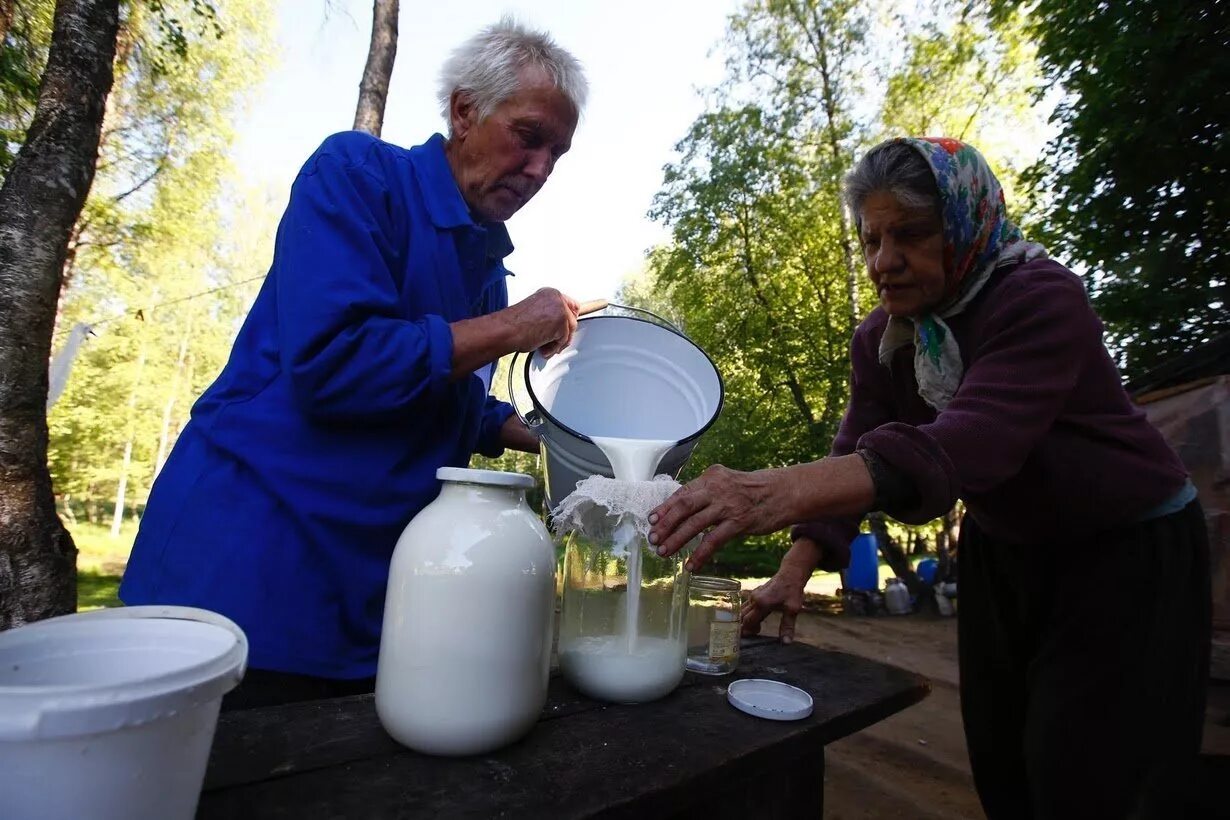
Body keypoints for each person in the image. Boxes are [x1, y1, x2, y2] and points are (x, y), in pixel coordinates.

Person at [647, 137, 1210, 819]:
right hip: (1005, 549)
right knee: (1001, 756)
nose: (884, 262)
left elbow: (972, 443)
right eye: (871, 240)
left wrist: (773, 491)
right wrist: (797, 566)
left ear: (965, 225)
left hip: (1125, 547)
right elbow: (856, 439)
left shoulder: (1037, 299)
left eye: (910, 234)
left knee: (1089, 773)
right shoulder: (884, 338)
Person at [120, 18, 588, 708]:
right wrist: (514, 326)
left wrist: (538, 432)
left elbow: (442, 394)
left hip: (371, 596)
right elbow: (337, 364)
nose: (542, 169)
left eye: (558, 153)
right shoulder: (358, 175)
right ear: (464, 111)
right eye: (528, 137)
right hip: (246, 575)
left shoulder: (486, 268)